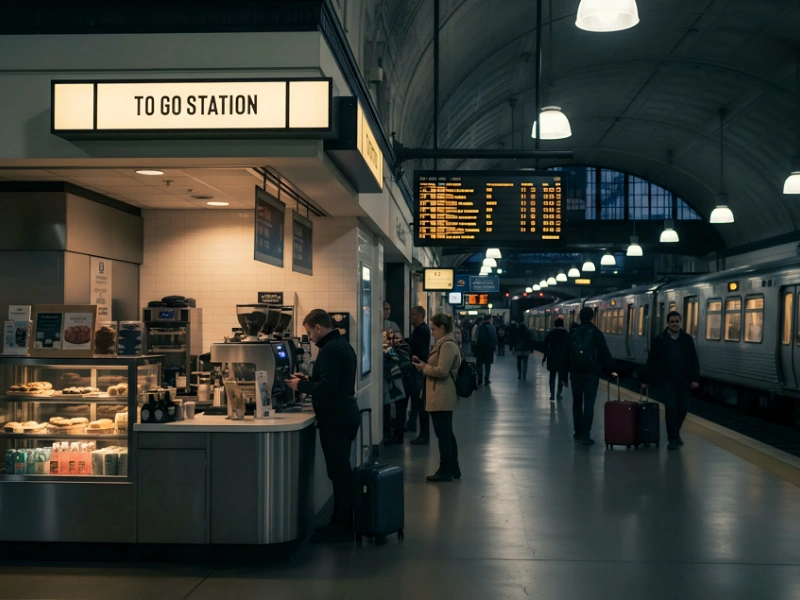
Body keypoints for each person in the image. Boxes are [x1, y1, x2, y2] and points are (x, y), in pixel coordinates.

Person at [285, 309, 360, 541]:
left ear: (318, 327)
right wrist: (308, 379)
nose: (310, 338)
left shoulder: (330, 350)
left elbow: (328, 388)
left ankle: (342, 525)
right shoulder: (343, 345)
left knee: (339, 474)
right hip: (346, 414)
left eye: (309, 333)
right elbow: (334, 381)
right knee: (341, 471)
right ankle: (343, 521)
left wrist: (301, 387)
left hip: (336, 419)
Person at [412, 313, 461, 482]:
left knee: (443, 435)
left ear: (442, 328)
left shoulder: (447, 345)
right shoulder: (445, 343)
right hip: (441, 394)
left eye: (433, 329)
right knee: (447, 433)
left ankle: (445, 470)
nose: (431, 332)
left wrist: (424, 367)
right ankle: (453, 468)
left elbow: (442, 371)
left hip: (442, 395)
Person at [641, 311, 700, 450]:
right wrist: (645, 379)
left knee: (683, 408)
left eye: (677, 321)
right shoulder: (660, 339)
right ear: (667, 323)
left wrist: (695, 378)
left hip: (684, 380)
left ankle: (675, 433)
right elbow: (651, 360)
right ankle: (673, 439)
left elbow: (693, 359)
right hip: (667, 380)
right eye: (672, 322)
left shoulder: (687, 339)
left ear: (680, 322)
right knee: (671, 409)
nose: (675, 324)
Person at [560, 307, 616, 445]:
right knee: (589, 404)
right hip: (592, 373)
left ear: (580, 317)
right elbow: (604, 353)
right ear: (592, 317)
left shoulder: (572, 333)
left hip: (575, 373)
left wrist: (563, 376)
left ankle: (577, 432)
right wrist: (610, 371)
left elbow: (565, 354)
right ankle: (586, 435)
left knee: (577, 403)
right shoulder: (596, 333)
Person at [406, 305, 431, 445]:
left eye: (414, 314)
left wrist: (403, 342)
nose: (410, 317)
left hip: (419, 370)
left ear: (422, 316)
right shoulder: (418, 330)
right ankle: (412, 424)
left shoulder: (422, 330)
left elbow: (416, 347)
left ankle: (424, 434)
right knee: (416, 401)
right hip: (417, 369)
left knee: (420, 402)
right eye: (410, 314)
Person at [383, 331, 412, 446]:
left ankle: (398, 435)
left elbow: (401, 363)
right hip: (402, 383)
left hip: (403, 383)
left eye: (396, 338)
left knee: (400, 410)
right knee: (400, 410)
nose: (395, 340)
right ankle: (396, 434)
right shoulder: (401, 349)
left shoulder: (401, 349)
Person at [543, 316, 569, 400]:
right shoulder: (566, 333)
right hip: (562, 358)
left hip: (552, 358)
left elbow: (545, 344)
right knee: (561, 376)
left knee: (552, 376)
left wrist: (545, 357)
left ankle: (552, 394)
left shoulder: (551, 333)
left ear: (555, 325)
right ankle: (559, 393)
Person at [474, 314, 498, 385]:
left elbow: (476, 337)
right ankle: (487, 379)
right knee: (488, 364)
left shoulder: (479, 327)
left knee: (479, 364)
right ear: (489, 319)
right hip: (489, 349)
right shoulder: (492, 327)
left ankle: (480, 379)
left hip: (480, 348)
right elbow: (494, 339)